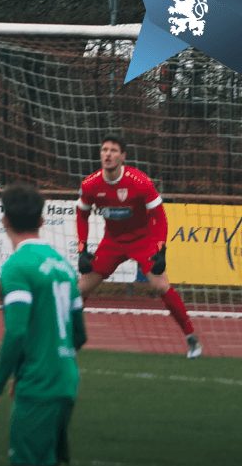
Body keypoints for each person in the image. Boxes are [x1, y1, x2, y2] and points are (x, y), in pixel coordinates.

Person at [0, 182, 93, 466]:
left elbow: (15, 331)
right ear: (43, 219)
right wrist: (57, 360)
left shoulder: (17, 266)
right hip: (66, 378)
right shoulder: (61, 265)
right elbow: (80, 334)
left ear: (4, 221)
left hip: (40, 383)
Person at [76, 134, 202, 359]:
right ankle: (69, 338)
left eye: (113, 150)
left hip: (143, 240)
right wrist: (82, 249)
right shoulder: (90, 184)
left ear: (123, 156)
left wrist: (161, 250)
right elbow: (82, 216)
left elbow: (160, 217)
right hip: (112, 243)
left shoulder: (140, 181)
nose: (108, 154)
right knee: (80, 288)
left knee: (160, 285)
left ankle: (191, 337)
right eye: (104, 149)